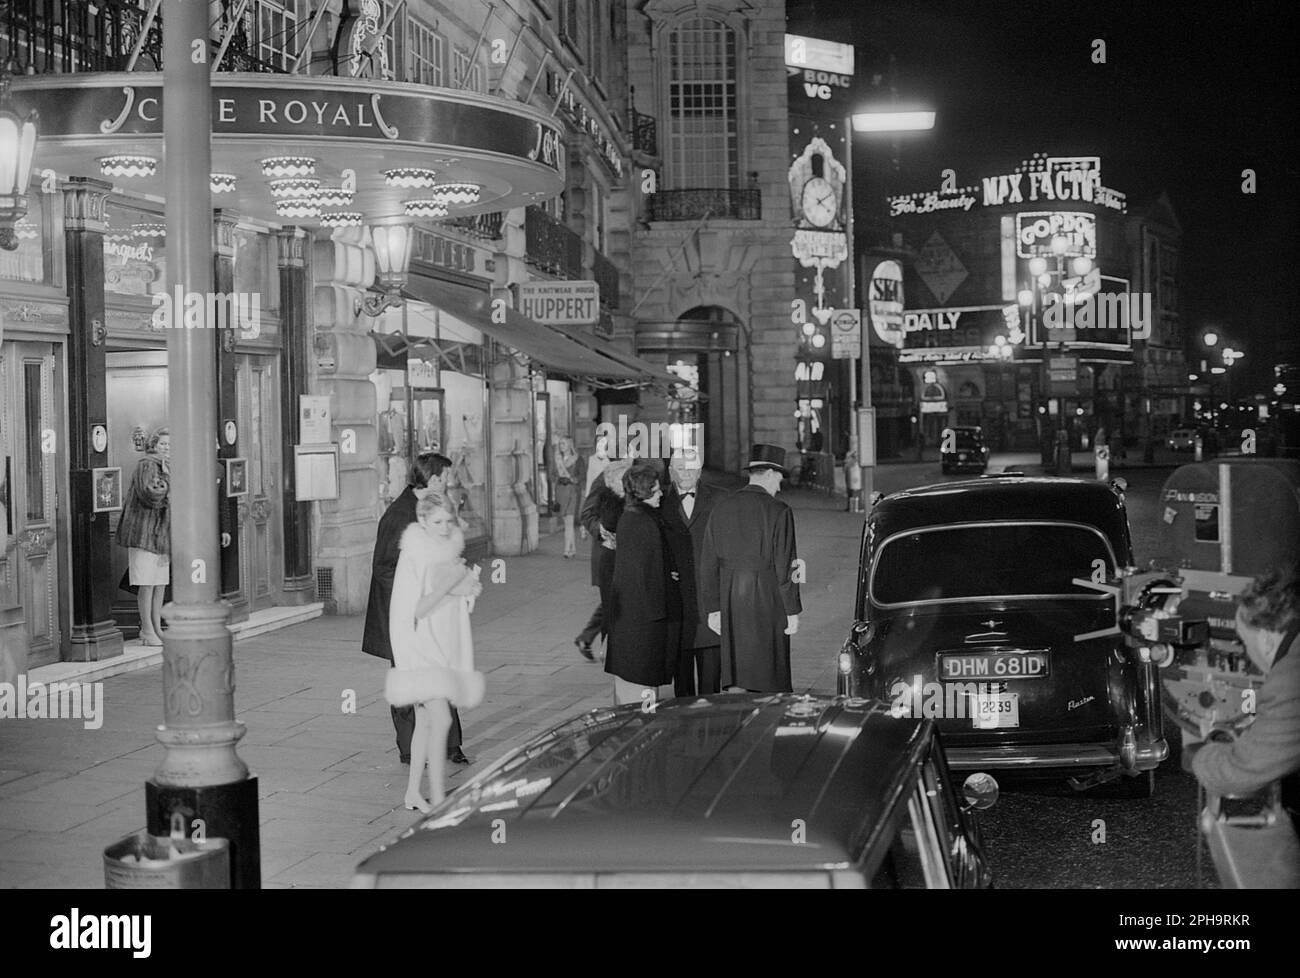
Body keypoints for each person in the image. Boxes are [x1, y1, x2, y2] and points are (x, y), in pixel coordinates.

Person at [362, 451, 471, 766]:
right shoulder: (398, 516)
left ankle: (451, 746)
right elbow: (382, 568)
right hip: (405, 618)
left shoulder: (432, 508)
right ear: (434, 478)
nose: (449, 484)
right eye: (446, 478)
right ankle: (410, 750)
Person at [388, 492, 483, 812]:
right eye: (437, 522)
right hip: (420, 650)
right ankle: (440, 799)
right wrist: (452, 583)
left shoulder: (448, 551)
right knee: (441, 719)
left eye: (449, 521)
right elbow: (418, 607)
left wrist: (468, 588)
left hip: (441, 648)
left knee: (426, 722)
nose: (444, 528)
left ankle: (413, 792)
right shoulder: (414, 554)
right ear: (423, 521)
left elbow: (450, 605)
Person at [1192, 565, 1300, 827]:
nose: (1247, 652)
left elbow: (1244, 769)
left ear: (1266, 639)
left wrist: (1204, 756)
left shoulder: (1290, 679)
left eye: (1244, 642)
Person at [699, 444, 802, 693]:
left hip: (731, 597)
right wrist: (792, 610)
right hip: (768, 598)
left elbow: (707, 563)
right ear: (768, 474)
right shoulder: (779, 511)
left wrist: (713, 607)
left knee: (737, 669)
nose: (779, 485)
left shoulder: (721, 507)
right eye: (779, 478)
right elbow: (786, 566)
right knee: (770, 669)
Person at [606, 463, 681, 706]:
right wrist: (669, 580)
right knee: (639, 696)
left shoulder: (633, 516)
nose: (661, 493)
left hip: (632, 621)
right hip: (644, 623)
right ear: (643, 491)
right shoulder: (645, 522)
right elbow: (649, 576)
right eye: (656, 489)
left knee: (635, 690)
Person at [662, 448, 724, 695]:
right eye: (680, 468)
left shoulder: (720, 499)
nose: (685, 473)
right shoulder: (658, 503)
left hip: (710, 603)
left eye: (691, 468)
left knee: (712, 684)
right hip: (678, 606)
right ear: (670, 472)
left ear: (699, 471)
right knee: (682, 686)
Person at [117, 427, 171, 646]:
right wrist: (170, 484)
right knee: (146, 583)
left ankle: (157, 627)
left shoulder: (166, 465)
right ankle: (147, 629)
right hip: (144, 532)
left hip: (160, 535)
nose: (167, 449)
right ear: (153, 445)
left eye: (170, 445)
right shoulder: (147, 465)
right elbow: (150, 492)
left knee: (160, 584)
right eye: (163, 444)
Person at [574, 457, 631, 660]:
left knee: (614, 603)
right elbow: (587, 513)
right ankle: (607, 650)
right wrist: (603, 531)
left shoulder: (644, 470)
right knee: (612, 602)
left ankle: (589, 639)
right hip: (609, 552)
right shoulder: (607, 476)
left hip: (629, 555)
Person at [551, 436, 580, 558]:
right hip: (560, 492)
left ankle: (566, 550)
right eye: (560, 444)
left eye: (563, 443)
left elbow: (581, 475)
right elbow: (552, 475)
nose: (561, 446)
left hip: (572, 491)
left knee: (569, 521)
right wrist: (556, 478)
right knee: (567, 522)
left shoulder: (578, 459)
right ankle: (573, 549)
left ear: (569, 445)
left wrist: (573, 479)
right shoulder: (557, 459)